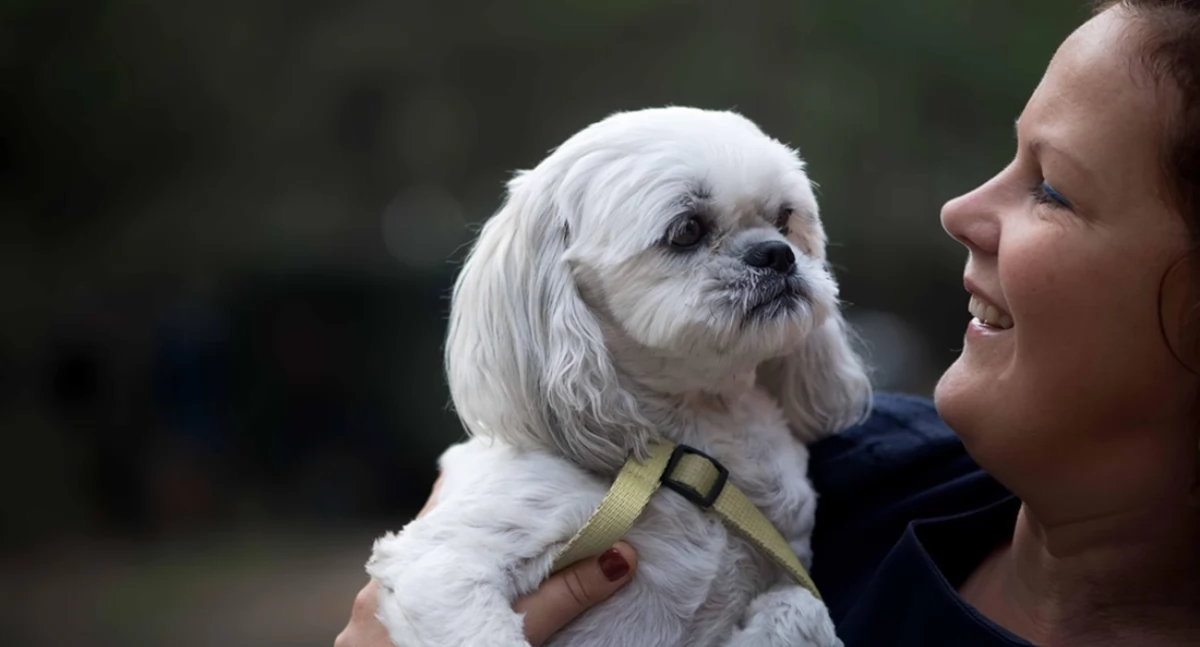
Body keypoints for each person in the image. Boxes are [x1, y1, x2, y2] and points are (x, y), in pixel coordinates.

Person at [336, 0, 1200, 644]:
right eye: (688, 233)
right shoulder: (859, 468)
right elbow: (431, 577)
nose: (959, 208)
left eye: (1051, 186)